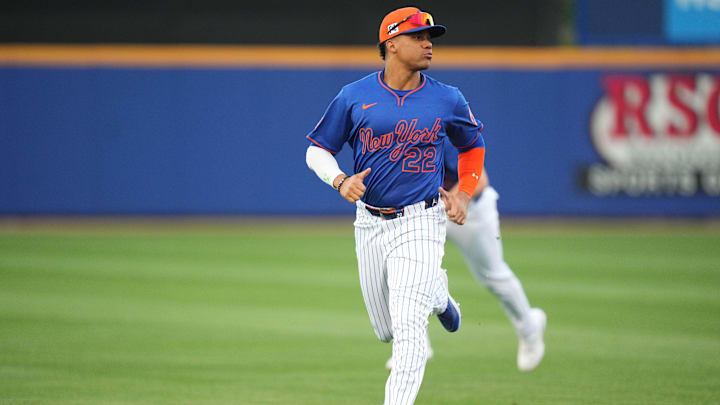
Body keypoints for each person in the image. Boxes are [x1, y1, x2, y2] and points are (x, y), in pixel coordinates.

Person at [305, 7, 486, 405]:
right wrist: (339, 179)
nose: (428, 44)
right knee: (386, 330)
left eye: (431, 38)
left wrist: (464, 192)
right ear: (391, 44)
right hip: (369, 222)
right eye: (419, 36)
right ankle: (439, 293)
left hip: (421, 219)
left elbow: (472, 146)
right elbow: (316, 151)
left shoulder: (447, 98)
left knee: (408, 331)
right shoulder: (355, 96)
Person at [385, 138, 547, 373]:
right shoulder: (390, 135)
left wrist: (452, 200)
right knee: (399, 266)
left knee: (494, 277)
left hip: (471, 211)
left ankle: (530, 331)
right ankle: (414, 345)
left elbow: (480, 179)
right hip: (426, 214)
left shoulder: (437, 133)